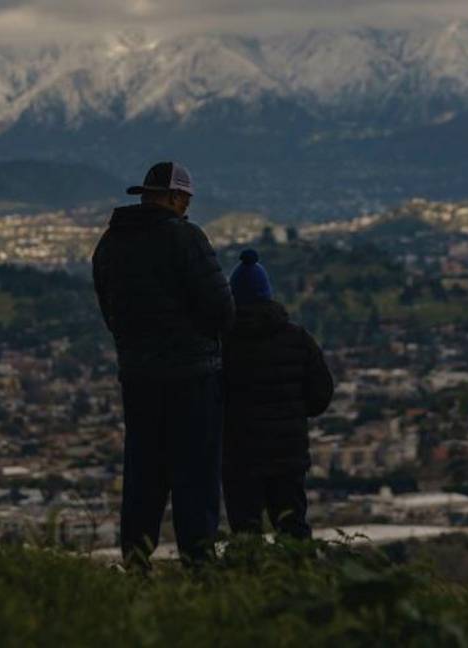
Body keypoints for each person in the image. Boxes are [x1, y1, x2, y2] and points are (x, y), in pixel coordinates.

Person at [92, 161, 235, 567]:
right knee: (196, 473)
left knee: (143, 471)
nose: (187, 208)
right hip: (192, 376)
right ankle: (199, 564)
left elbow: (109, 310)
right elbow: (221, 309)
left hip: (138, 376)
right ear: (173, 197)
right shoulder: (186, 239)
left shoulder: (109, 244)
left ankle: (136, 560)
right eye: (185, 200)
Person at [221, 249, 333, 540]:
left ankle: (251, 582)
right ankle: (299, 581)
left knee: (246, 531)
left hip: (240, 455)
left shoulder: (223, 343)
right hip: (288, 455)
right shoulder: (297, 338)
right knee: (293, 527)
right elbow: (321, 395)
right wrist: (293, 411)